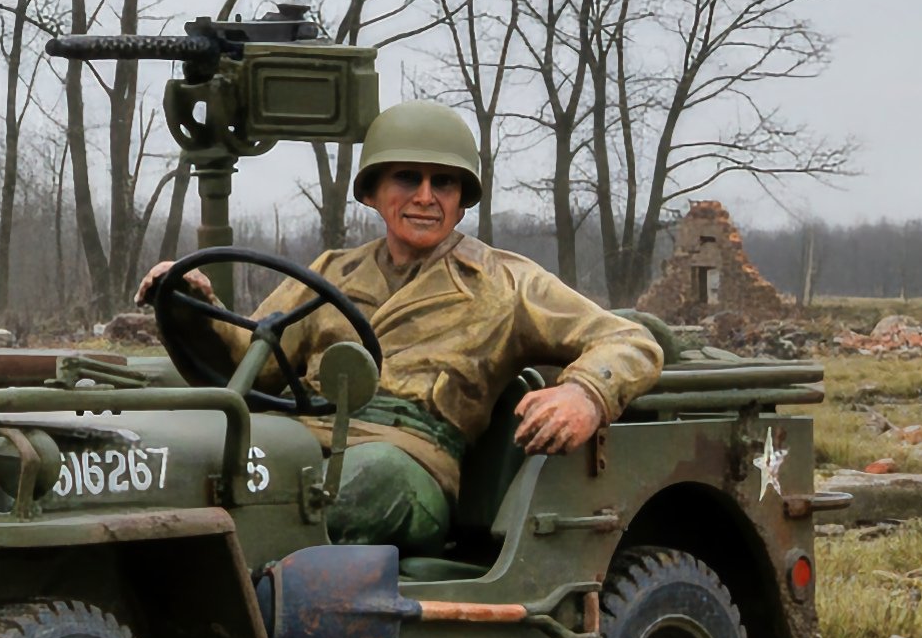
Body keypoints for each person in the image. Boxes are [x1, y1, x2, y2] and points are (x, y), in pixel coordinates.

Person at [139, 99, 664, 561]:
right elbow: (255, 367)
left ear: (462, 197)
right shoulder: (331, 272)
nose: (425, 197)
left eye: (445, 182)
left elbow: (631, 341)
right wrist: (191, 304)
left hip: (412, 463)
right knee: (191, 464)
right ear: (372, 192)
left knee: (354, 488)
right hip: (304, 437)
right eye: (407, 178)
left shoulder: (506, 282)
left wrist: (586, 393)